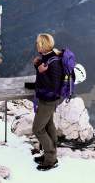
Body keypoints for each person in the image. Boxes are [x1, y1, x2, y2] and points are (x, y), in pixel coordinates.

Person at [32, 33, 63, 171]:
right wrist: (38, 66)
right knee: (48, 125)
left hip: (48, 100)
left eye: (37, 43)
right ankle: (49, 154)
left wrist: (41, 70)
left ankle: (51, 159)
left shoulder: (54, 61)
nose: (36, 45)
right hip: (46, 98)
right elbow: (44, 75)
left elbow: (53, 85)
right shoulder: (47, 58)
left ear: (42, 45)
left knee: (37, 129)